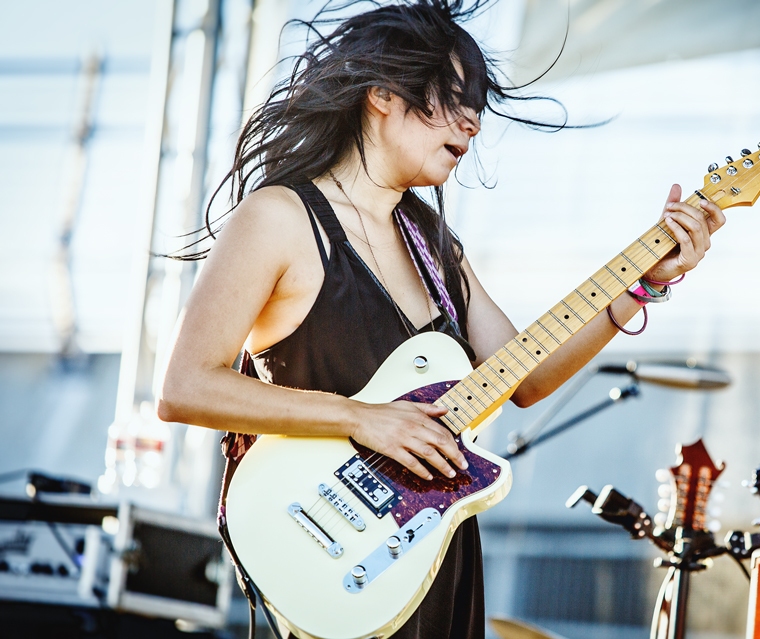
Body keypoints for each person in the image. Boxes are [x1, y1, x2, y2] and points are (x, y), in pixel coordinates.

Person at [156, 1, 725, 637]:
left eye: (477, 107)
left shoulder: (436, 245)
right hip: (334, 555)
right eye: (454, 100)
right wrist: (359, 417)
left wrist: (640, 284)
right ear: (381, 94)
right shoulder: (279, 218)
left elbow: (524, 377)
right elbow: (185, 387)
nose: (473, 124)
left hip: (433, 557)